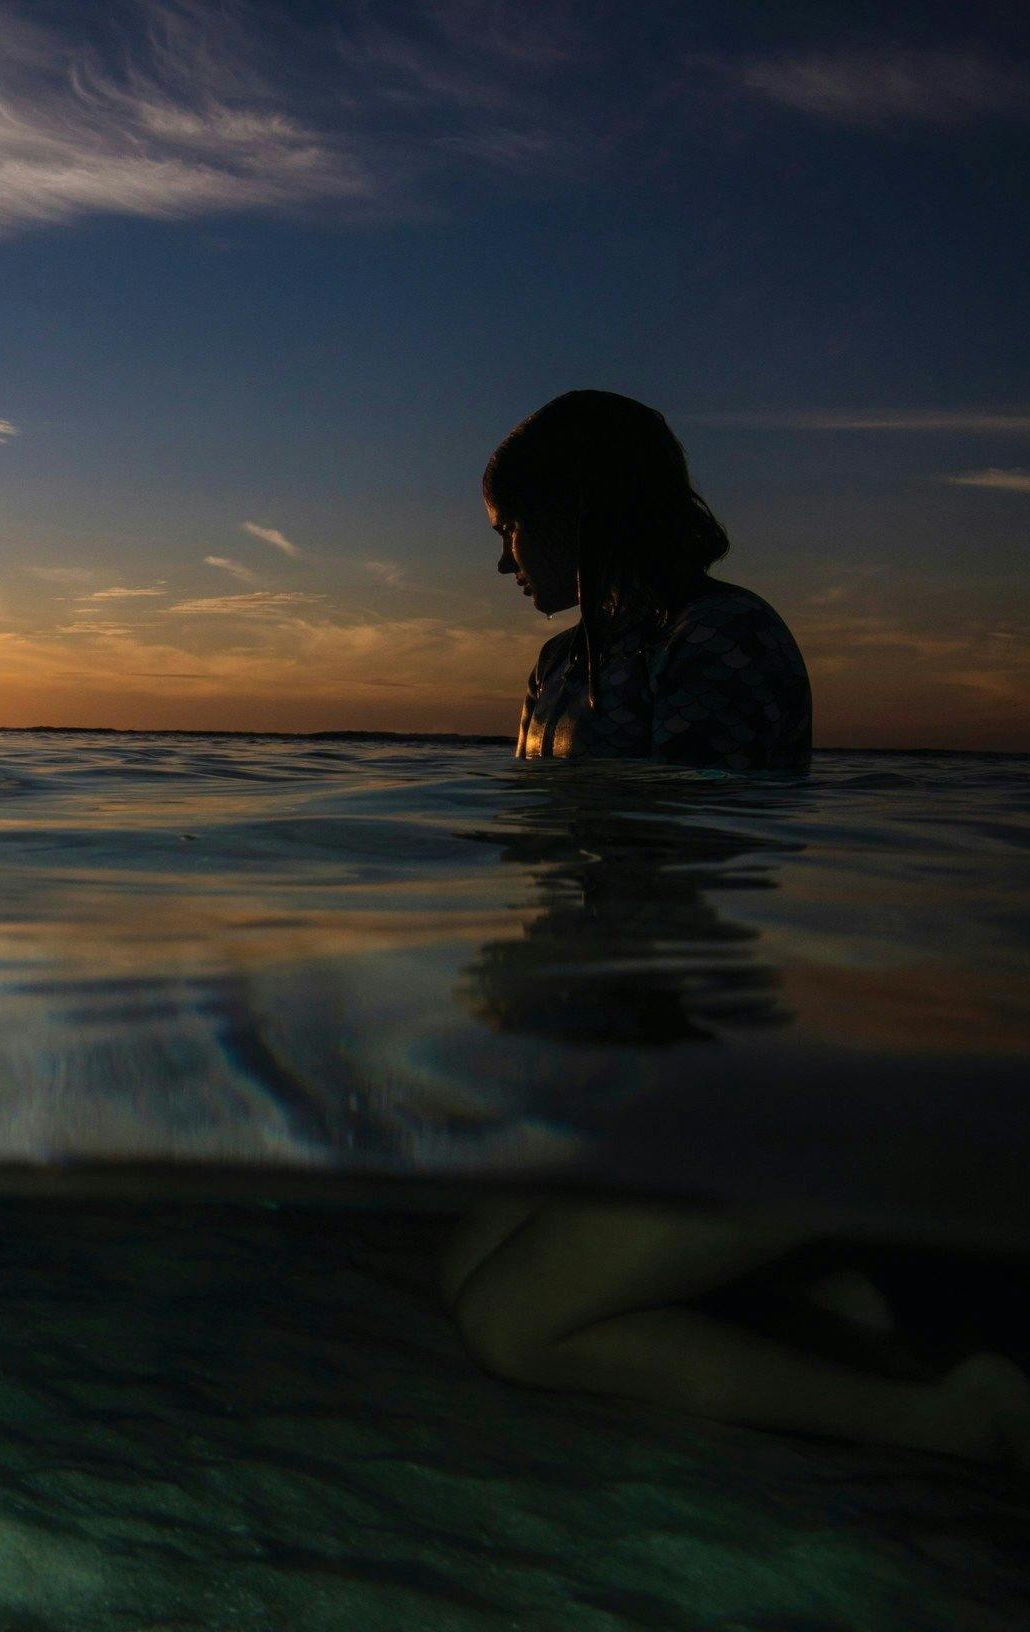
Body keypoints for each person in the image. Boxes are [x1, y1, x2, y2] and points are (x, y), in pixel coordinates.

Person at [444, 390, 1029, 1468]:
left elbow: (684, 871)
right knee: (461, 1270)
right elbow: (556, 872)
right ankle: (830, 1293)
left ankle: (955, 1415)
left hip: (757, 1068)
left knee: (510, 1324)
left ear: (577, 510)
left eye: (509, 529)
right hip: (649, 1066)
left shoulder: (723, 636)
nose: (501, 561)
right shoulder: (559, 667)